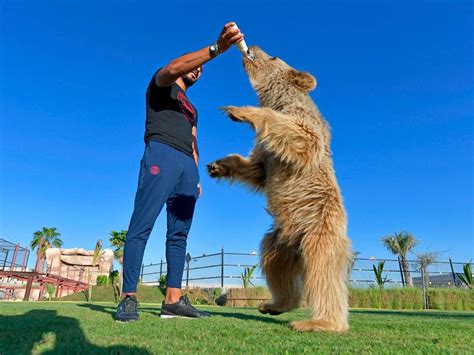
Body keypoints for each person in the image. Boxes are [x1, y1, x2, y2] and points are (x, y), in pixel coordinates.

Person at [114, 22, 244, 322]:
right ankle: (128, 297)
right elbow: (172, 68)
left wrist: (196, 175)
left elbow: (194, 140)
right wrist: (216, 49)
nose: (198, 71)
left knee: (179, 235)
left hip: (187, 165)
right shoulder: (161, 85)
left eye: (201, 71)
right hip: (161, 152)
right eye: (195, 66)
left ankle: (173, 300)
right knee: (142, 225)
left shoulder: (193, 109)